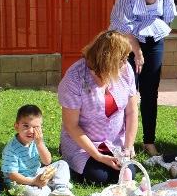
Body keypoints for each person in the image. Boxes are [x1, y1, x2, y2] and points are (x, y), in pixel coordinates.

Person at [109, 0, 176, 157]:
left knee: (150, 92)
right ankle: (121, 142)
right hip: (127, 38)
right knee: (126, 92)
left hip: (154, 38)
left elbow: (167, 15)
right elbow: (122, 20)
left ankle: (148, 142)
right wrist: (136, 51)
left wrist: (148, 44)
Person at [59, 30, 137, 186]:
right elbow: (71, 125)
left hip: (114, 142)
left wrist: (128, 148)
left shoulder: (126, 69)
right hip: (83, 144)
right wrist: (99, 157)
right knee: (99, 177)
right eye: (121, 59)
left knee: (128, 173)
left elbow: (132, 112)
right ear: (108, 59)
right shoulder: (75, 78)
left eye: (126, 58)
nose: (125, 63)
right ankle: (69, 156)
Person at [2, 104, 74, 196]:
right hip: (18, 181)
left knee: (62, 164)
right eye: (26, 126)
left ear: (40, 128)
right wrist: (33, 182)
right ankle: (52, 186)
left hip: (36, 172)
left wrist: (39, 144)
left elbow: (47, 161)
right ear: (16, 126)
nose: (30, 131)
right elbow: (12, 175)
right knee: (30, 193)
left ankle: (60, 188)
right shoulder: (11, 149)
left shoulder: (37, 141)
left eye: (35, 127)